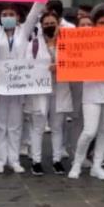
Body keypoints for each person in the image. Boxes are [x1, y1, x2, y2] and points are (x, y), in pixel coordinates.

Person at [0, 0, 44, 175]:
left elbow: (35, 12)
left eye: (11, 14)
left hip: (18, 86)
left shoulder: (23, 32)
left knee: (15, 125)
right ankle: (0, 160)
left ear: (17, 17)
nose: (7, 17)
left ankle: (13, 160)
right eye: (4, 14)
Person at [69, 10, 104, 180]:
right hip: (91, 91)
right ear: (95, 25)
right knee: (89, 131)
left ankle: (97, 165)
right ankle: (77, 162)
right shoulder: (85, 42)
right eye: (101, 23)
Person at [24, 12, 73, 175]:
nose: (49, 26)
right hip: (41, 91)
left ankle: (57, 160)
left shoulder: (67, 43)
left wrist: (61, 66)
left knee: (57, 127)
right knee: (38, 127)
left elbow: (74, 63)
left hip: (60, 89)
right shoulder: (34, 44)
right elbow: (28, 66)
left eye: (52, 23)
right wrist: (45, 69)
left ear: (58, 24)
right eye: (46, 24)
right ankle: (36, 161)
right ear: (41, 26)